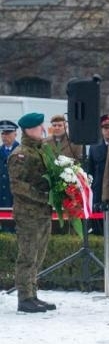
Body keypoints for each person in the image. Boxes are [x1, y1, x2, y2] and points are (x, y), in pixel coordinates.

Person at [7, 112, 57, 312]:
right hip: (28, 213)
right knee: (27, 256)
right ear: (29, 130)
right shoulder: (21, 154)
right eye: (38, 127)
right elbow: (17, 186)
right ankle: (24, 298)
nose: (43, 129)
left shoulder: (40, 150)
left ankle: (33, 294)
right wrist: (43, 197)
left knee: (38, 255)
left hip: (42, 212)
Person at [85, 114, 109, 235]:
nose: (108, 131)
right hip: (98, 191)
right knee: (98, 227)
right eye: (105, 128)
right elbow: (90, 171)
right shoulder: (94, 148)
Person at [0, 119, 18, 233]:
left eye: (8, 133)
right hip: (2, 197)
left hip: (16, 197)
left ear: (15, 134)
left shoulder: (21, 151)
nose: (4, 136)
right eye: (3, 133)